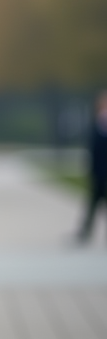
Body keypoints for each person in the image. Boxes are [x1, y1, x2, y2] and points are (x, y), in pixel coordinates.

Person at [77, 91, 107, 243]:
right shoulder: (97, 124)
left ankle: (85, 231)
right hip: (99, 171)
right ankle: (85, 232)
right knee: (93, 204)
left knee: (94, 204)